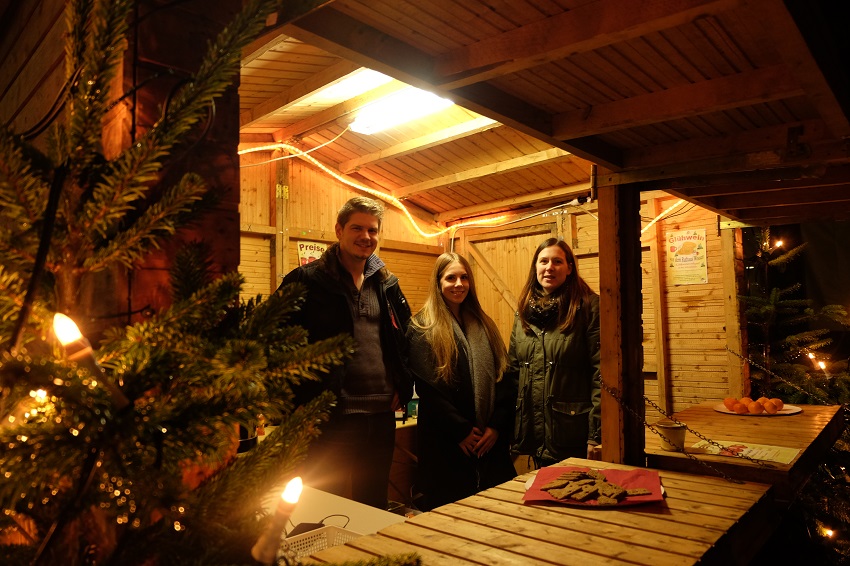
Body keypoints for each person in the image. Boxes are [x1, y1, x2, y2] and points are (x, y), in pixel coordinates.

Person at [278, 196, 412, 509]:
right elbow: (275, 342)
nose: (366, 237)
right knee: (325, 506)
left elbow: (405, 339)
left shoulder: (386, 283)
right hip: (331, 418)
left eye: (373, 230)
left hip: (381, 416)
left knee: (373, 503)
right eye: (357, 228)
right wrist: (297, 403)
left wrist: (403, 385)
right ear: (339, 230)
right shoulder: (306, 281)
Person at [407, 252, 516, 510]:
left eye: (464, 277)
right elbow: (429, 389)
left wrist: (496, 427)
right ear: (438, 282)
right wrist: (462, 431)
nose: (459, 284)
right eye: (451, 278)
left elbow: (505, 376)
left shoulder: (484, 324)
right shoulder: (422, 326)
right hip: (447, 443)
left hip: (489, 443)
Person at [507, 237, 601, 468]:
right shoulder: (524, 312)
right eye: (543, 261)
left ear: (569, 268)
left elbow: (602, 373)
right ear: (535, 268)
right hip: (534, 433)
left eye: (557, 261)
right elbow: (513, 372)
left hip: (573, 433)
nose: (549, 267)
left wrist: (596, 435)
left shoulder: (588, 307)